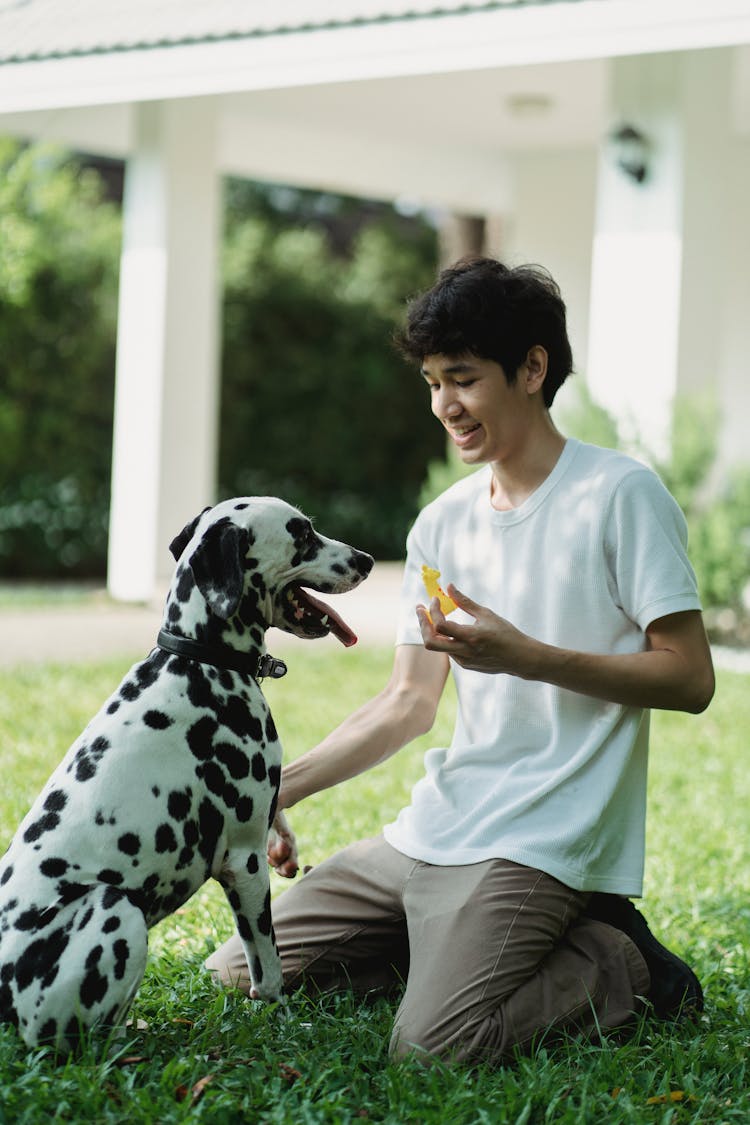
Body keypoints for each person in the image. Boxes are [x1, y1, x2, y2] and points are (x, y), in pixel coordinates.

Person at [205, 257, 715, 1064]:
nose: (446, 405)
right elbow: (407, 702)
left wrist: (528, 657)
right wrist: (271, 790)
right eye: (434, 382)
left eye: (464, 379)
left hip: (541, 838)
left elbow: (689, 677)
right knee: (239, 970)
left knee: (433, 1046)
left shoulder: (621, 494)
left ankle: (620, 961)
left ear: (533, 368)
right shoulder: (442, 523)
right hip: (437, 827)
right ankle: (449, 951)